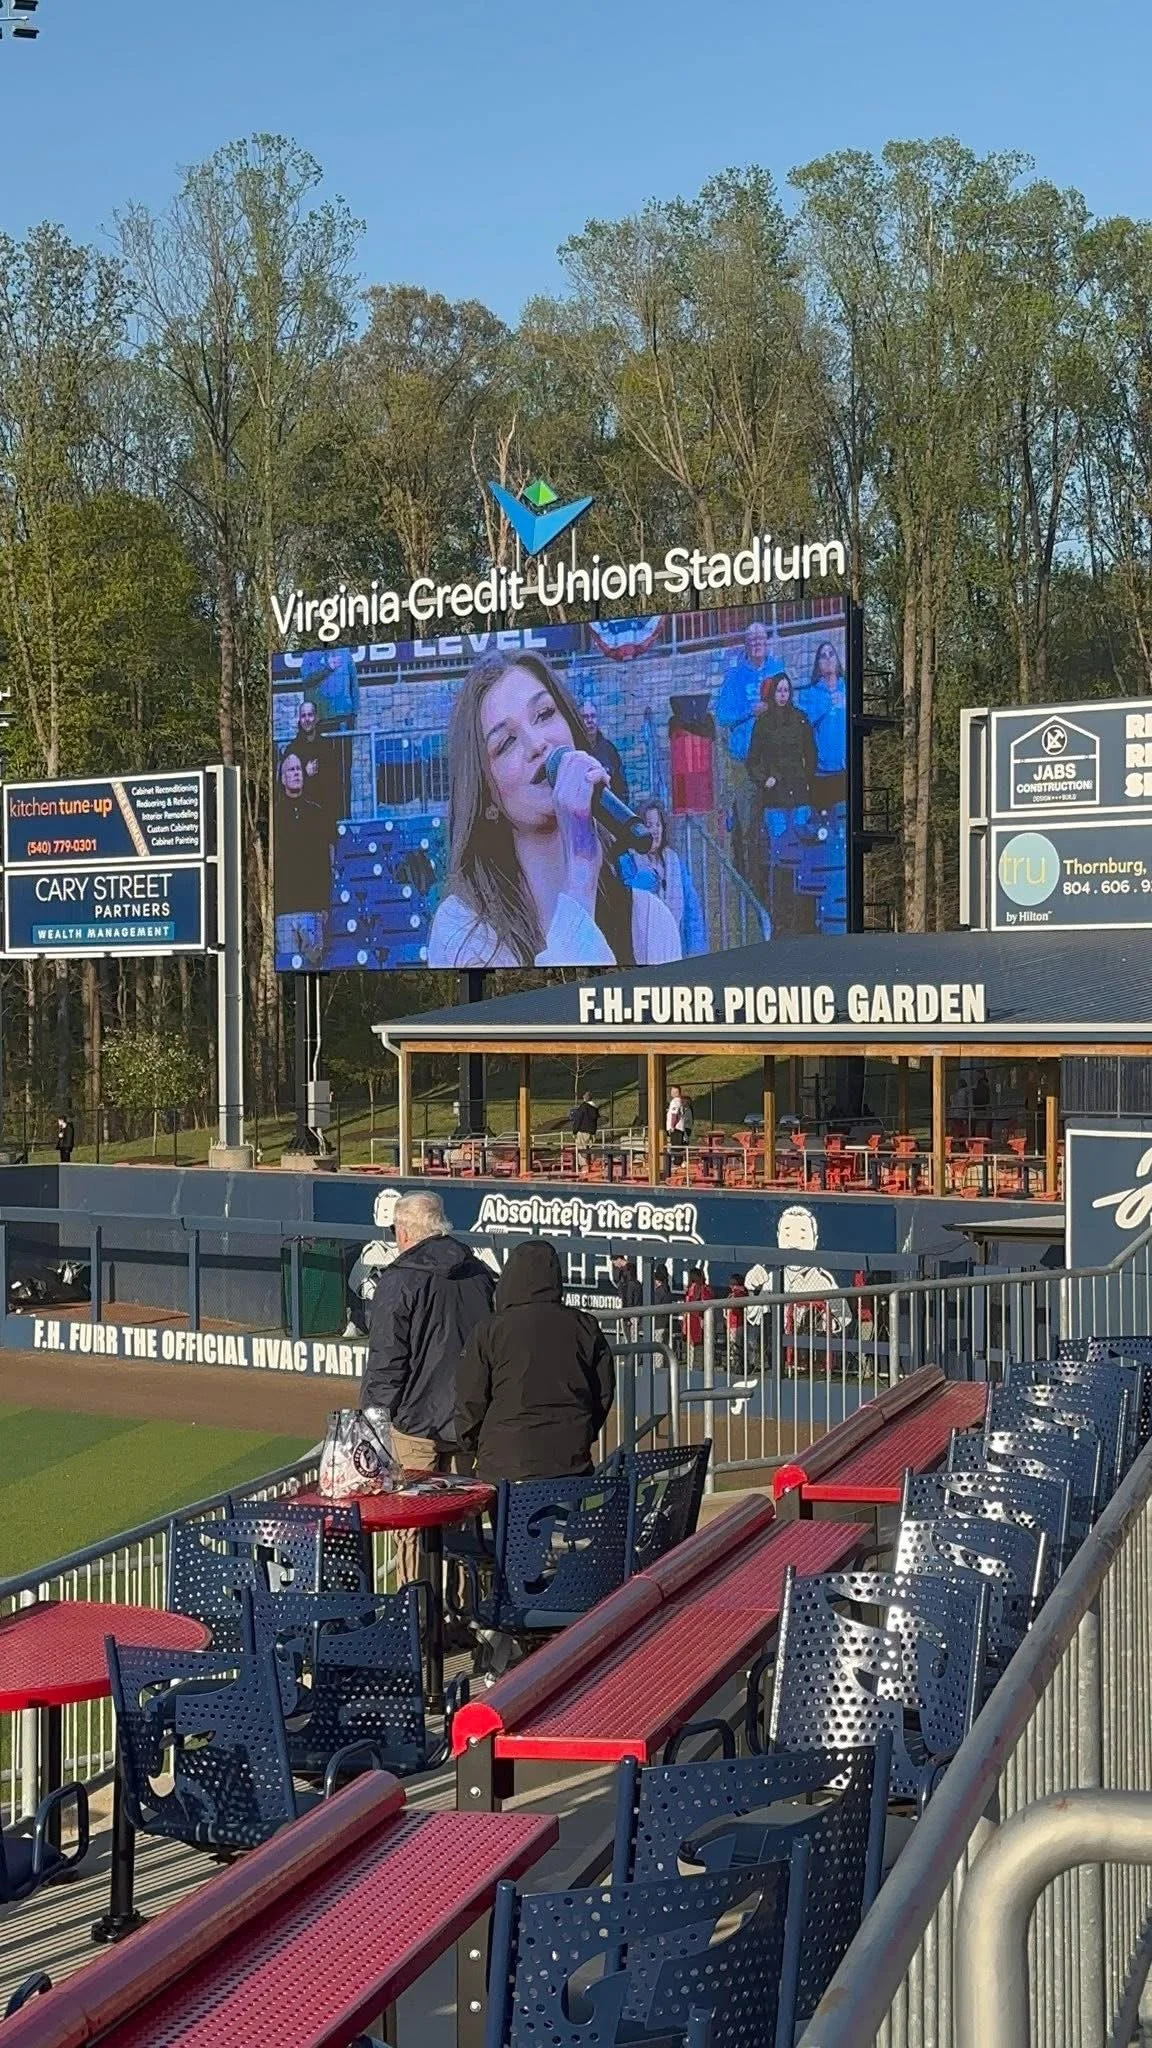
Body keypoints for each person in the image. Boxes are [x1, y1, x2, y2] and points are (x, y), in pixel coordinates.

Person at [427, 649, 681, 969]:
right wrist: (581, 870)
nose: (536, 745)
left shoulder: (649, 923)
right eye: (506, 743)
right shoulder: (462, 931)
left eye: (545, 714)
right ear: (487, 797)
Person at [361, 1190, 495, 1583]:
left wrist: (372, 1421)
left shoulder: (399, 1279)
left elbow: (387, 1360)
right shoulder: (479, 1274)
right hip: (469, 1418)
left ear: (403, 1231)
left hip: (415, 1424)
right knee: (461, 1522)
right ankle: (460, 1608)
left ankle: (416, 1609)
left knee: (413, 1525)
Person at [455, 1239, 616, 1485]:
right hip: (568, 1458)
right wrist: (583, 1432)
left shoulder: (491, 1330)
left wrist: (475, 1444)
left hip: (505, 1461)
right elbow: (603, 1393)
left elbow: (470, 1398)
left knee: (505, 1512)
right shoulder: (585, 1327)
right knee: (565, 1511)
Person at [714, 621, 786, 880]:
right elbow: (723, 716)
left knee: (779, 821)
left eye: (761, 638)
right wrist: (749, 711)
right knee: (749, 826)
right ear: (746, 644)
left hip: (774, 759)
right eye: (752, 640)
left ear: (767, 641)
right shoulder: (735, 677)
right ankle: (751, 884)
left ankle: (779, 881)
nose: (757, 643)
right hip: (744, 761)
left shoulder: (777, 669)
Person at [746, 673, 818, 895]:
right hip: (775, 797)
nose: (783, 695)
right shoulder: (763, 724)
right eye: (779, 691)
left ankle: (803, 900)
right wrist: (764, 780)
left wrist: (808, 779)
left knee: (803, 848)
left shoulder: (801, 719)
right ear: (772, 693)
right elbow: (752, 760)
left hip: (799, 794)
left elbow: (811, 753)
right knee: (780, 852)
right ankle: (781, 900)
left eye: (786, 691)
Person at [274, 750, 335, 968]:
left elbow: (324, 861)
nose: (296, 773)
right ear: (283, 778)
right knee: (288, 970)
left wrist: (323, 905)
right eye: (291, 770)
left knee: (314, 969)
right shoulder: (275, 815)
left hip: (311, 910)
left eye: (299, 769)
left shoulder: (316, 813)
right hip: (283, 911)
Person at [625, 798, 707, 956]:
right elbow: (625, 901)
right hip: (642, 951)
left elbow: (692, 911)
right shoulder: (629, 861)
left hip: (675, 949)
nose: (655, 831)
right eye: (649, 825)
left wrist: (696, 951)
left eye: (658, 825)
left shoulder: (674, 861)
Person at [796, 640, 848, 806]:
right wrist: (827, 703)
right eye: (823, 656)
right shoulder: (811, 693)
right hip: (822, 773)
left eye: (831, 654)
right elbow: (805, 723)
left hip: (847, 770)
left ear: (837, 659)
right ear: (818, 664)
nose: (828, 659)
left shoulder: (848, 688)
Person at [580, 698, 629, 804]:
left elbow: (621, 786)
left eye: (593, 716)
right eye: (585, 717)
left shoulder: (609, 750)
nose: (590, 721)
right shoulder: (575, 749)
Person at [665, 1084, 694, 1175]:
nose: (671, 1093)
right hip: (680, 1128)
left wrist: (672, 1126)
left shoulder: (675, 1101)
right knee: (678, 1146)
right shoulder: (679, 1102)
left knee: (676, 1147)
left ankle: (677, 1165)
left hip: (676, 1128)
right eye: (671, 1091)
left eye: (673, 1091)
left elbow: (675, 1114)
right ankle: (680, 1163)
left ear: (677, 1092)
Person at [568, 1091, 600, 1175]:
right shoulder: (595, 1108)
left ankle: (584, 1167)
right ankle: (591, 1165)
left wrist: (574, 1131)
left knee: (581, 1149)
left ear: (584, 1098)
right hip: (592, 1132)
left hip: (582, 1131)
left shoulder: (583, 1107)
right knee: (590, 1149)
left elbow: (578, 1120)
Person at [684, 1266, 715, 1350]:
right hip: (692, 1317)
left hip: (697, 1317)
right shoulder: (693, 1288)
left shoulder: (701, 1288)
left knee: (697, 1341)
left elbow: (699, 1299)